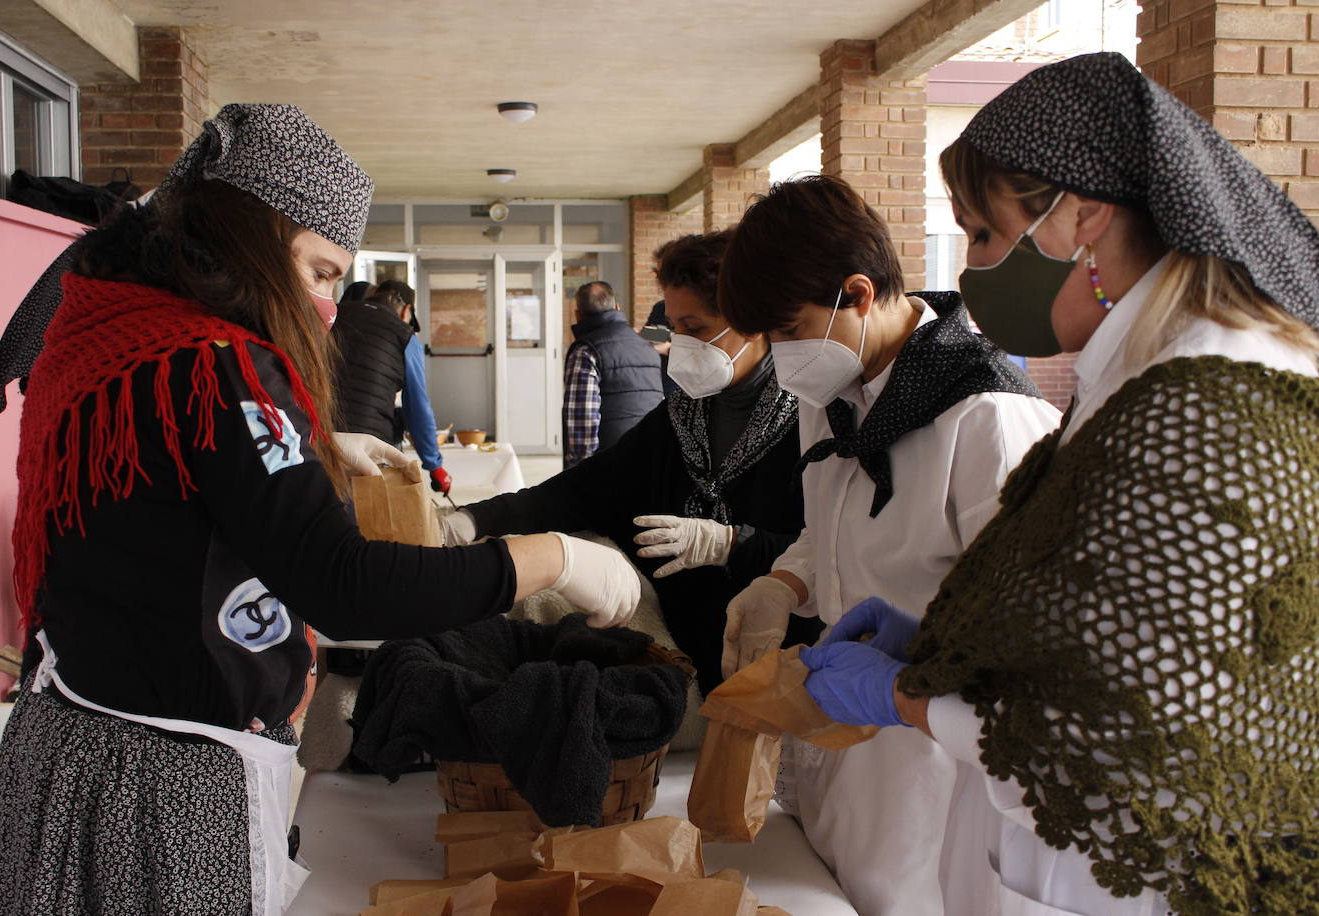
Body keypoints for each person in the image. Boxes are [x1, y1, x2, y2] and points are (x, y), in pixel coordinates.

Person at [0, 103, 640, 916]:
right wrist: (552, 558)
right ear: (253, 234)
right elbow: (343, 584)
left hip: (72, 745)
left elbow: (169, 484)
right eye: (322, 271)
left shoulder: (118, 332)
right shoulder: (220, 364)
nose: (329, 304)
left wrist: (317, 439)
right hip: (164, 782)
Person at [798, 52, 1319, 916]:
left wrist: (903, 698)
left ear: (1082, 214)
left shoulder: (1204, 402)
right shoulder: (1148, 377)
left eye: (985, 233)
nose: (971, 271)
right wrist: (944, 642)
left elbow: (1125, 734)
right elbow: (1111, 625)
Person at [716, 175, 1061, 916]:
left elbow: (1036, 633)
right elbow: (827, 531)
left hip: (939, 759)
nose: (781, 358)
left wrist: (915, 673)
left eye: (789, 332)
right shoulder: (831, 398)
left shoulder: (988, 418)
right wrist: (786, 584)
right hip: (844, 740)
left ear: (860, 294)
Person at [443, 231, 817, 695]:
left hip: (784, 671)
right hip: (683, 660)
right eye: (673, 328)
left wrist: (730, 543)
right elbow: (584, 489)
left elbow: (833, 551)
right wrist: (472, 520)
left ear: (754, 321)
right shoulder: (681, 418)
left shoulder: (812, 420)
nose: (680, 345)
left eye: (696, 329)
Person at [333, 278, 451, 494]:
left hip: (319, 437)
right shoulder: (405, 336)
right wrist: (435, 466)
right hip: (369, 449)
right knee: (366, 520)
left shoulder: (333, 315)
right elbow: (417, 408)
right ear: (406, 310)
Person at [562, 280, 663, 467]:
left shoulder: (585, 351)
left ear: (577, 315)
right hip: (652, 458)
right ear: (617, 307)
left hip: (609, 466)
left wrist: (576, 476)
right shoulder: (646, 345)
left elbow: (582, 424)